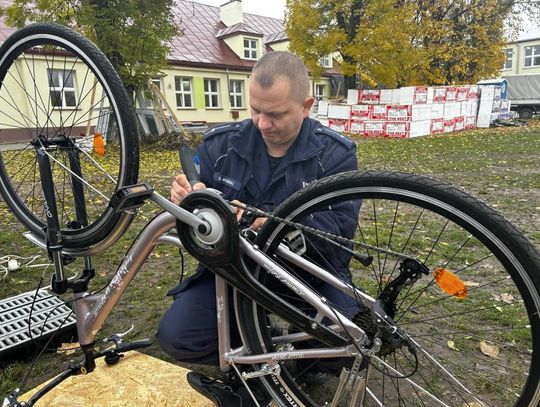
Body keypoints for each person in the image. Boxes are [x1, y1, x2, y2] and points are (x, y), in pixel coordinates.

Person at [156, 51, 359, 401]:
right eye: (255, 110)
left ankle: (305, 360)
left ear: (307, 105)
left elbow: (339, 232)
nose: (263, 124)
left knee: (351, 340)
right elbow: (197, 224)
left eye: (277, 114)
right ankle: (252, 344)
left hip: (306, 275)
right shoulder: (219, 145)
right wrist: (186, 202)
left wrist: (273, 223)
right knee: (178, 337)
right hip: (232, 276)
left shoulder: (335, 154)